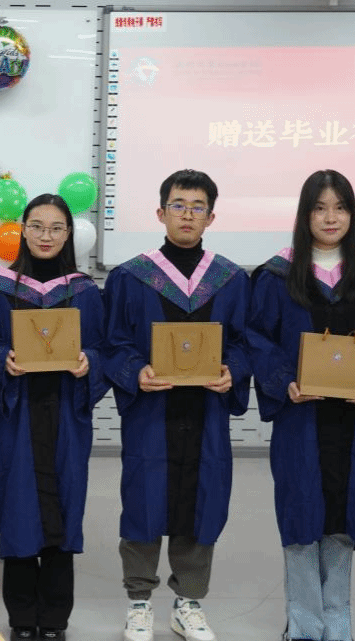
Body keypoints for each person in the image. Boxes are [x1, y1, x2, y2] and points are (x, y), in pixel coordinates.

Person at [246, 170, 355, 641]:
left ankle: (337, 622)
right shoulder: (278, 275)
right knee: (301, 520)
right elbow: (258, 338)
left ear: (353, 214)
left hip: (354, 422)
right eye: (319, 208)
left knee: (341, 521)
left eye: (340, 207)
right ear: (305, 215)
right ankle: (304, 624)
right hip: (301, 418)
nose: (330, 217)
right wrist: (285, 382)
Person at [103, 169, 251, 641]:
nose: (187, 215)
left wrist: (233, 370)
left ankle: (189, 602)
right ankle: (139, 601)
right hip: (152, 414)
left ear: (211, 217)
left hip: (205, 414)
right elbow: (113, 343)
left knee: (201, 502)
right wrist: (135, 372)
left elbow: (245, 343)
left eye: (197, 207)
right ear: (160, 212)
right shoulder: (131, 278)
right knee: (143, 502)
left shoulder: (230, 280)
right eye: (179, 205)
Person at [0, 194, 108, 641]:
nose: (45, 236)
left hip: (65, 416)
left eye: (56, 228)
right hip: (18, 416)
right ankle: (21, 616)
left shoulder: (85, 291)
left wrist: (90, 361)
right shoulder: (0, 288)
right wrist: (2, 359)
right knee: (19, 508)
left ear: (68, 234)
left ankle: (55, 618)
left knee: (65, 506)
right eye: (36, 226)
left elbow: (103, 347)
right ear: (23, 230)